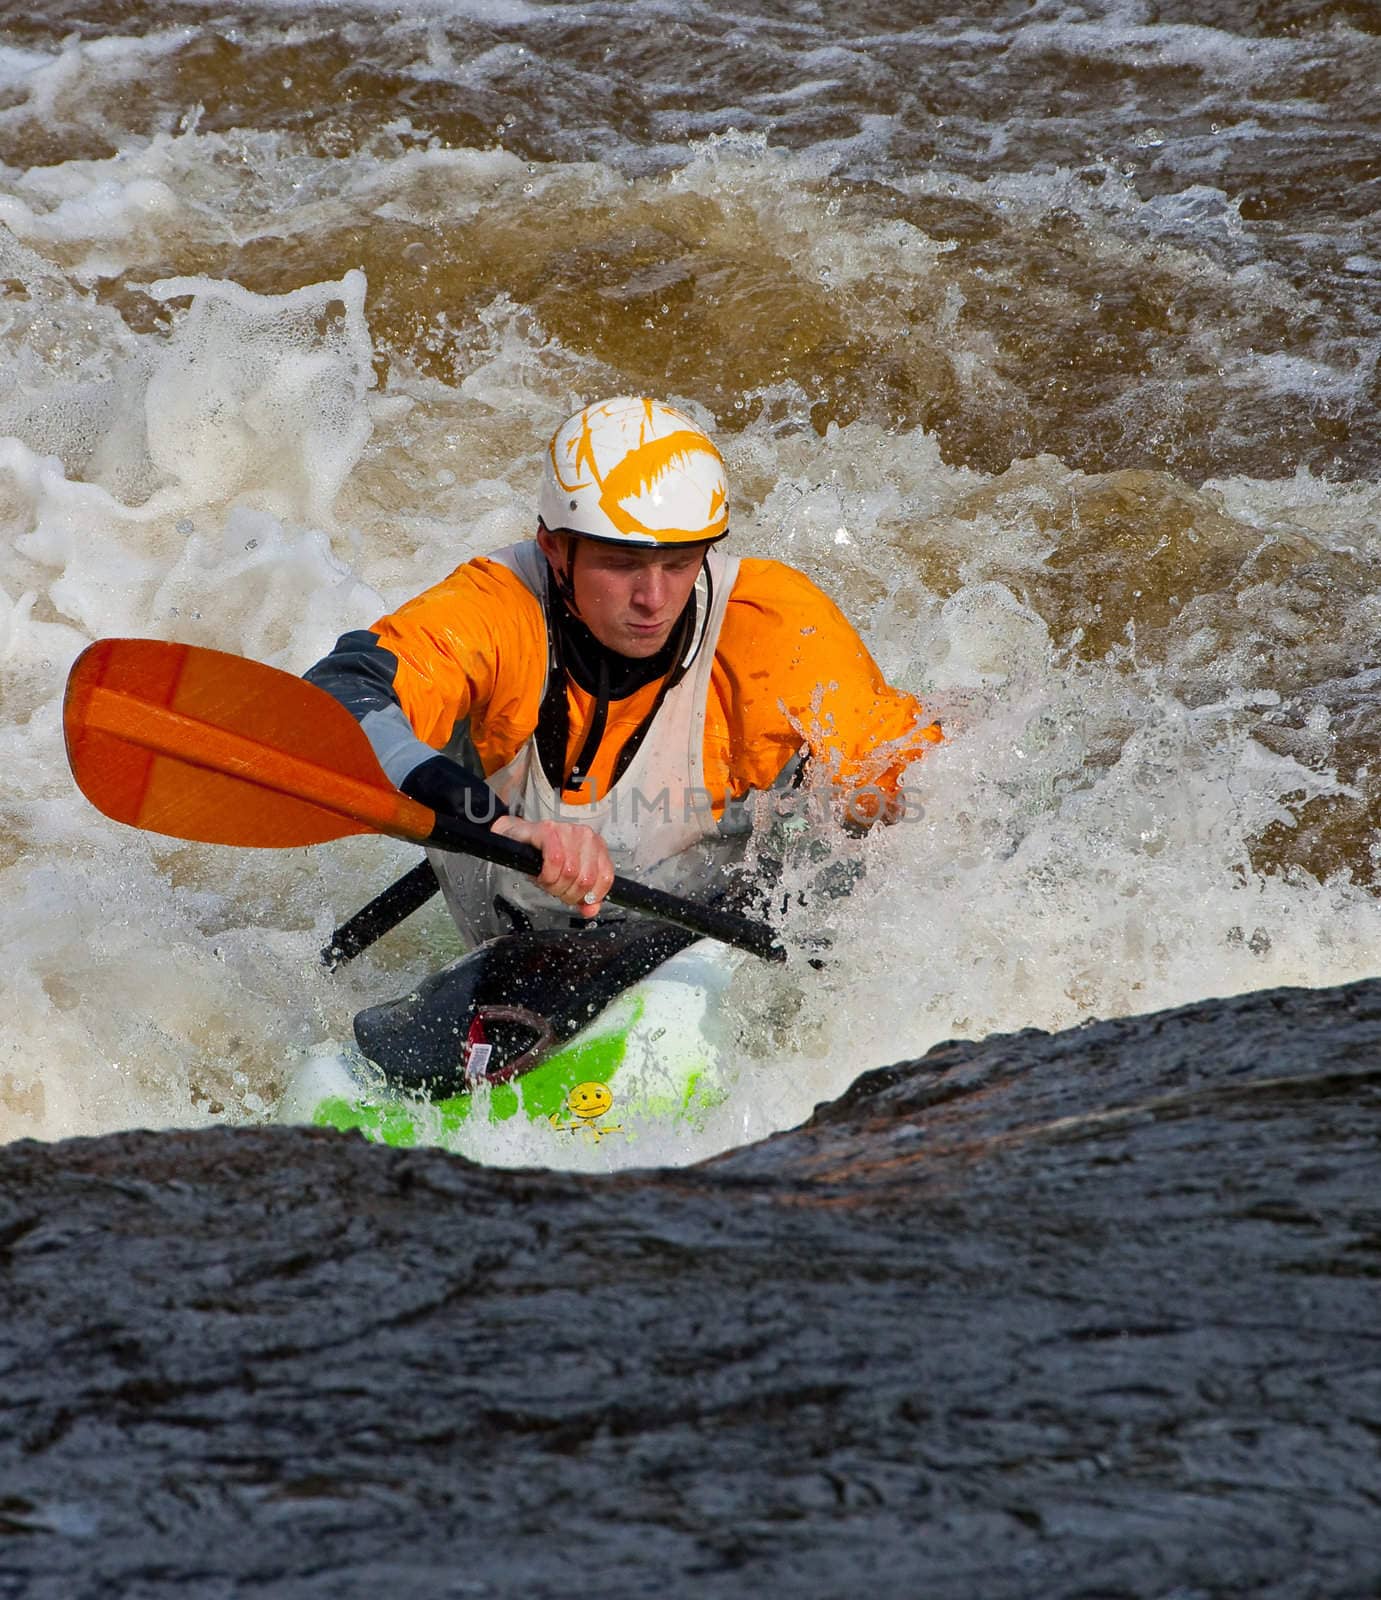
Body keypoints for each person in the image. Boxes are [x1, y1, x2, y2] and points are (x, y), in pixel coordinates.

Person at [305, 396, 941, 946]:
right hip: (509, 944)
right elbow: (335, 702)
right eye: (621, 565)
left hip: (703, 931)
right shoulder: (494, 611)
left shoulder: (774, 625)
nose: (654, 600)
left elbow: (909, 784)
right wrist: (492, 821)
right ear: (555, 548)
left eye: (679, 563)